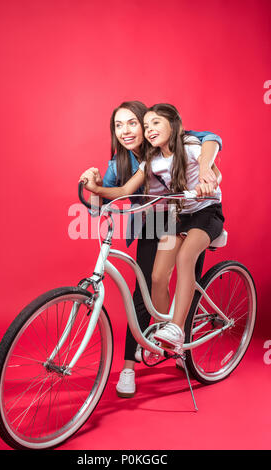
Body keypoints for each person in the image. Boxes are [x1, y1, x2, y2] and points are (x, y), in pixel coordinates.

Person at [80, 101, 223, 398]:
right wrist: (93, 187)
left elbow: (211, 138)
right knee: (148, 284)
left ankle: (179, 339)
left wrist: (208, 171)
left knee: (188, 273)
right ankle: (139, 359)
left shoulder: (173, 143)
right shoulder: (122, 164)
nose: (127, 131)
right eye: (119, 126)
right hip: (160, 219)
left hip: (187, 212)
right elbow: (105, 203)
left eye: (134, 123)